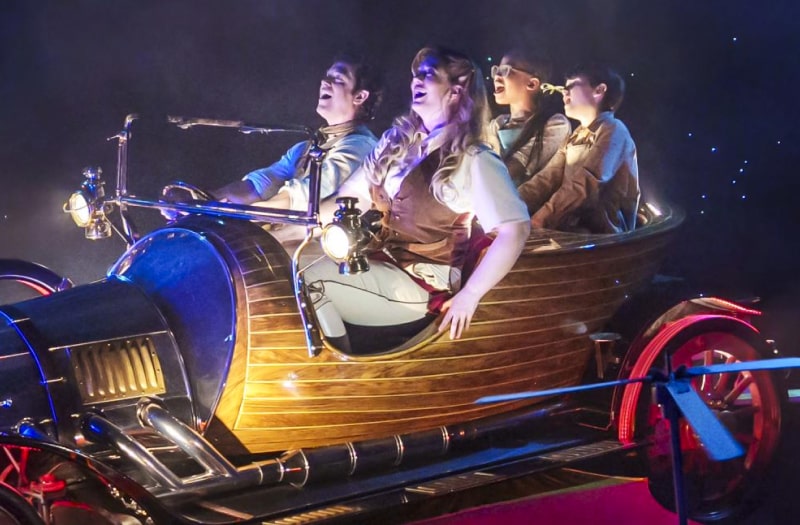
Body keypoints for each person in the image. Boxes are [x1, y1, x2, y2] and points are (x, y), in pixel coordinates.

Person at [305, 46, 530, 347]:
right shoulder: (394, 144)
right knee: (287, 264)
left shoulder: (474, 158)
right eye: (415, 76)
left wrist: (471, 295)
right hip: (378, 263)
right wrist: (287, 226)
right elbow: (349, 197)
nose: (416, 81)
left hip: (422, 285)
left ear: (457, 89)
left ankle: (336, 378)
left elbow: (514, 229)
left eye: (428, 75)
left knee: (307, 278)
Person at [213, 55, 383, 212]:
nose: (324, 81)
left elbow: (311, 192)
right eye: (326, 76)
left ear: (360, 96)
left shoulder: (361, 146)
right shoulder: (305, 147)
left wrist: (253, 215)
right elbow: (264, 182)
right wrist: (209, 198)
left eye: (337, 78)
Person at [517, 64, 640, 234]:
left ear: (599, 90)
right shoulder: (576, 135)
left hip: (602, 236)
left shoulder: (614, 130)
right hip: (570, 229)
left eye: (571, 86)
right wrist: (512, 203)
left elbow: (586, 181)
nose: (564, 93)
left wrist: (540, 219)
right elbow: (546, 178)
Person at [488, 50, 571, 186]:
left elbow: (516, 166)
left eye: (505, 70)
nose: (496, 76)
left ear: (532, 84)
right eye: (497, 70)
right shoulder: (497, 124)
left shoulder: (555, 124)